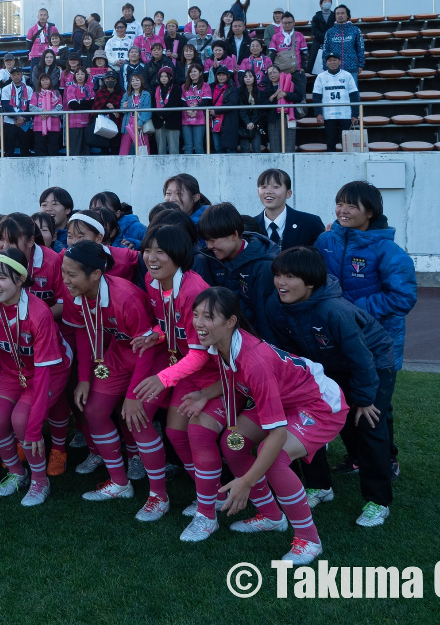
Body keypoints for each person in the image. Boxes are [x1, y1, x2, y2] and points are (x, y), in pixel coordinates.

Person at [153, 286, 345, 566]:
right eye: (196, 315)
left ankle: (309, 539)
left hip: (320, 406)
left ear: (231, 322)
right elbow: (236, 376)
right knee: (234, 446)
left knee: (275, 457)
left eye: (208, 317)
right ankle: (271, 516)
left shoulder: (254, 361)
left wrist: (247, 481)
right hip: (286, 398)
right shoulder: (224, 341)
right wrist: (205, 394)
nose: (198, 324)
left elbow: (277, 432)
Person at [263, 247, 398, 527]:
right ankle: (320, 486)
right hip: (326, 367)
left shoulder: (334, 310)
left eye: (289, 276)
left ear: (311, 282)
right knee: (308, 421)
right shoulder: (275, 305)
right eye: (278, 275)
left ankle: (378, 501)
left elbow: (362, 357)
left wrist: (363, 398)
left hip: (373, 363)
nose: (280, 283)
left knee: (368, 425)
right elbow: (288, 353)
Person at [62, 241, 169, 512]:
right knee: (95, 411)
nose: (66, 280)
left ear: (96, 274)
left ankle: (159, 497)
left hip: (153, 357)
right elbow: (84, 334)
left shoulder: (126, 298)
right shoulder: (75, 293)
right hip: (120, 354)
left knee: (138, 418)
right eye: (64, 272)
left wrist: (133, 395)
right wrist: (84, 378)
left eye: (71, 274)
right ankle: (120, 483)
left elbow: (147, 347)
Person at [126, 224, 217, 536]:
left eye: (159, 251)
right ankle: (159, 495)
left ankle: (211, 499)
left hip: (210, 373)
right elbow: (172, 324)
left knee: (188, 433)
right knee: (149, 421)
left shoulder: (193, 291)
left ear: (178, 255)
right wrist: (154, 334)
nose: (150, 257)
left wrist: (163, 378)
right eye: (147, 250)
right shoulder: (155, 282)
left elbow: (202, 352)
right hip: (183, 365)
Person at [0, 249, 71, 506]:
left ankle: (40, 480)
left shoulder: (39, 314)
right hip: (11, 372)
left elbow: (44, 371)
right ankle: (18, 473)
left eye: (2, 278)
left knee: (22, 420)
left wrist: (35, 427)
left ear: (20, 280)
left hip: (49, 372)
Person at [315, 182, 417, 378]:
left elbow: (403, 297)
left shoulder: (389, 251)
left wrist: (354, 311)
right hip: (332, 339)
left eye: (352, 206)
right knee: (337, 403)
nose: (343, 211)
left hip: (377, 342)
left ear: (370, 212)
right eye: (340, 204)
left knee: (376, 406)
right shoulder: (324, 241)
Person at [196, 202, 276, 333]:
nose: (209, 246)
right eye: (206, 240)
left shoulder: (263, 266)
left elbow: (265, 320)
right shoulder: (209, 258)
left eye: (213, 240)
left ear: (234, 235)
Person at [255, 167, 325, 249]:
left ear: (288, 193)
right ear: (258, 192)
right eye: (263, 187)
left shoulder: (310, 223)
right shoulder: (250, 226)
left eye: (276, 187)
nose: (268, 191)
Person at [311, 51, 360, 153]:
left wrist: (355, 114)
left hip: (345, 115)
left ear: (340, 62)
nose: (332, 62)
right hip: (329, 115)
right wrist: (318, 113)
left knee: (346, 144)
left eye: (335, 60)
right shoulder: (321, 77)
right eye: (330, 60)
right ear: (326, 63)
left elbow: (354, 95)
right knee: (330, 142)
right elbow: (316, 97)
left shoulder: (347, 75)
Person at [266, 49, 303, 154]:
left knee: (289, 147)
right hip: (273, 120)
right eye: (270, 74)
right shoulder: (267, 88)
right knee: (275, 148)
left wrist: (286, 95)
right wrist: (273, 96)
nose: (272, 75)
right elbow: (263, 103)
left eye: (274, 72)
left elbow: (299, 96)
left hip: (288, 118)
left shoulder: (290, 83)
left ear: (280, 73)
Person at [0, 65, 35, 157]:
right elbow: (6, 105)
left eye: (18, 74)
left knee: (25, 148)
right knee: (9, 149)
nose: (16, 76)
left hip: (25, 122)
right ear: (10, 76)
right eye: (14, 74)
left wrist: (23, 118)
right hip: (10, 122)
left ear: (22, 75)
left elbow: (30, 106)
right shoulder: (5, 89)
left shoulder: (29, 89)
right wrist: (16, 117)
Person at [322, 4, 365, 75]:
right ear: (335, 16)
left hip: (352, 68)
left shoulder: (355, 30)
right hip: (334, 69)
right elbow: (325, 50)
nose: (340, 15)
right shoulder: (330, 32)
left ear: (347, 15)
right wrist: (325, 65)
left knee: (352, 86)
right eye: (337, 13)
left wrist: (361, 64)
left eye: (342, 13)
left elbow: (360, 48)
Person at [234, 69, 269, 153]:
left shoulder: (259, 92)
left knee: (257, 148)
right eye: (245, 77)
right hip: (243, 124)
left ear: (254, 78)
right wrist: (247, 122)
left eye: (250, 76)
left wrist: (253, 122)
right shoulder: (238, 91)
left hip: (256, 124)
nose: (248, 79)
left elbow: (258, 109)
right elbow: (241, 108)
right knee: (245, 149)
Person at [179, 63, 211, 154]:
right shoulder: (184, 86)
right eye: (190, 72)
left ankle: (201, 167)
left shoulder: (205, 85)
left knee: (198, 146)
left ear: (200, 73)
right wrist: (188, 110)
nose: (193, 73)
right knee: (188, 146)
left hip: (199, 119)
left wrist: (195, 108)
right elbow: (182, 101)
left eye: (195, 71)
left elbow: (206, 101)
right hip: (186, 118)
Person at [118, 71, 151, 156]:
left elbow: (147, 111)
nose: (135, 82)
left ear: (141, 82)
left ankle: (144, 167)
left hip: (140, 124)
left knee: (143, 148)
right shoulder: (127, 94)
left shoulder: (146, 94)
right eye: (133, 80)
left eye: (137, 80)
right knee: (124, 150)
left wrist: (140, 123)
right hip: (128, 124)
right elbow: (122, 110)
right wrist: (124, 107)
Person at [30, 72, 63, 156]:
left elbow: (59, 108)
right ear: (39, 82)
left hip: (54, 126)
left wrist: (48, 113)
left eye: (47, 79)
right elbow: (31, 108)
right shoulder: (36, 94)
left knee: (53, 149)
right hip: (39, 127)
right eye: (43, 80)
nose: (45, 82)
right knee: (40, 150)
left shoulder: (57, 93)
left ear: (50, 81)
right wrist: (43, 111)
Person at [209, 66, 240, 153]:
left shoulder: (232, 88)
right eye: (219, 75)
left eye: (223, 75)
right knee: (217, 147)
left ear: (228, 76)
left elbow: (232, 104)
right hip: (214, 120)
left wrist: (216, 111)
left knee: (229, 148)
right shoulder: (211, 87)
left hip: (228, 120)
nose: (221, 77)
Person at [63, 67, 94, 156]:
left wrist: (80, 102)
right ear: (75, 76)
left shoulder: (89, 88)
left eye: (82, 74)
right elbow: (72, 105)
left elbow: (92, 103)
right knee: (75, 150)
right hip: (74, 123)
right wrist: (85, 103)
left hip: (87, 122)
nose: (80, 76)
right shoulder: (71, 88)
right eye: (78, 74)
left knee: (86, 150)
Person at [150, 67, 181, 155]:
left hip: (173, 121)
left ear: (170, 77)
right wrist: (159, 115)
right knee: (160, 148)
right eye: (161, 76)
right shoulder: (155, 89)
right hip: (158, 121)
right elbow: (153, 104)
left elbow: (174, 103)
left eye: (166, 76)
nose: (163, 78)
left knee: (173, 148)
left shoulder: (176, 88)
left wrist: (163, 114)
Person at [38, 186, 74, 251]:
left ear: (68, 209)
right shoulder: (33, 233)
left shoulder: (75, 237)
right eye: (44, 205)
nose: (48, 209)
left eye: (54, 204)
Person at [309, 0, 334, 72]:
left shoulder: (334, 16)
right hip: (318, 43)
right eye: (325, 1)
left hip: (332, 42)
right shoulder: (316, 17)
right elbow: (315, 31)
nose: (327, 3)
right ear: (321, 4)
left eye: (329, 1)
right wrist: (325, 37)